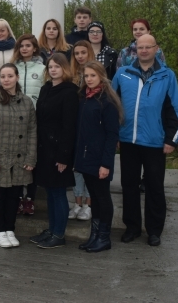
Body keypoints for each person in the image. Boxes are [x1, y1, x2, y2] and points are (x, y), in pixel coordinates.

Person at [113, 34, 178, 247]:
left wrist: (172, 139)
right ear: (135, 50)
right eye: (139, 47)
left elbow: (176, 111)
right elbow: (111, 106)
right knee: (129, 186)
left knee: (154, 187)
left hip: (155, 142)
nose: (143, 50)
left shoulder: (167, 76)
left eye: (148, 47)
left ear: (155, 49)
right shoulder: (123, 74)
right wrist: (114, 134)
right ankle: (132, 227)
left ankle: (154, 231)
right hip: (128, 141)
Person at [0, 64, 37, 248]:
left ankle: (9, 228)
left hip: (19, 158)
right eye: (3, 76)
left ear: (17, 77)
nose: (6, 79)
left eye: (10, 76)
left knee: (14, 195)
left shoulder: (27, 102)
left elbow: (32, 131)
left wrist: (30, 157)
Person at [29, 53, 79, 249]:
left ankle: (59, 233)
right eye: (50, 66)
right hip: (44, 148)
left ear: (64, 68)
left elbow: (69, 127)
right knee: (49, 192)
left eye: (57, 66)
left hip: (59, 150)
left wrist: (63, 156)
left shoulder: (70, 92)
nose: (53, 70)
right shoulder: (46, 89)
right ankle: (52, 229)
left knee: (58, 193)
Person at [74, 61, 122, 253]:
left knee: (103, 197)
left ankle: (104, 236)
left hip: (100, 159)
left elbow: (112, 135)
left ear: (101, 76)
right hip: (85, 157)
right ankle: (93, 235)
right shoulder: (84, 99)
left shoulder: (107, 102)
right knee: (94, 196)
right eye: (86, 76)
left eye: (93, 75)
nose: (89, 79)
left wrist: (106, 163)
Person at [116, 18, 166, 194]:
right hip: (130, 106)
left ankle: (147, 181)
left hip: (151, 102)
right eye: (135, 29)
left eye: (142, 29)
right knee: (129, 174)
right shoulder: (124, 53)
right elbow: (119, 82)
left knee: (153, 170)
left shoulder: (158, 53)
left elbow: (163, 74)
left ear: (149, 31)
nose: (138, 31)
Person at [12, 34, 46, 215]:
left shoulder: (42, 69)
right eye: (21, 46)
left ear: (34, 48)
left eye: (28, 45)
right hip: (15, 120)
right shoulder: (12, 68)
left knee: (31, 159)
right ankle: (18, 197)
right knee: (17, 159)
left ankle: (30, 199)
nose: (24, 49)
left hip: (34, 120)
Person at [69, 40, 95, 221]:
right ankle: (77, 202)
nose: (79, 56)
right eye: (76, 53)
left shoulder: (96, 73)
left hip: (92, 125)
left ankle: (89, 204)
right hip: (74, 123)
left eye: (83, 52)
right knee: (76, 167)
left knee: (90, 166)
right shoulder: (70, 75)